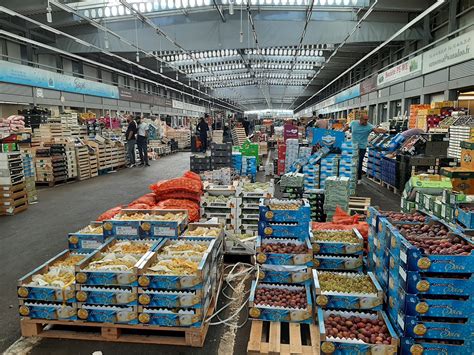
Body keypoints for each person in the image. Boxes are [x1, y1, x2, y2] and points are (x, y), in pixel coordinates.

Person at [344, 115, 387, 184]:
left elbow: (376, 130)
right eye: (365, 120)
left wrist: (385, 131)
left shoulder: (369, 126)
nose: (366, 121)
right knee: (351, 161)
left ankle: (359, 179)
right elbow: (347, 127)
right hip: (352, 146)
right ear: (360, 119)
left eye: (367, 120)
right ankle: (349, 177)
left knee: (359, 162)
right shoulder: (353, 123)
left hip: (362, 147)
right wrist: (341, 132)